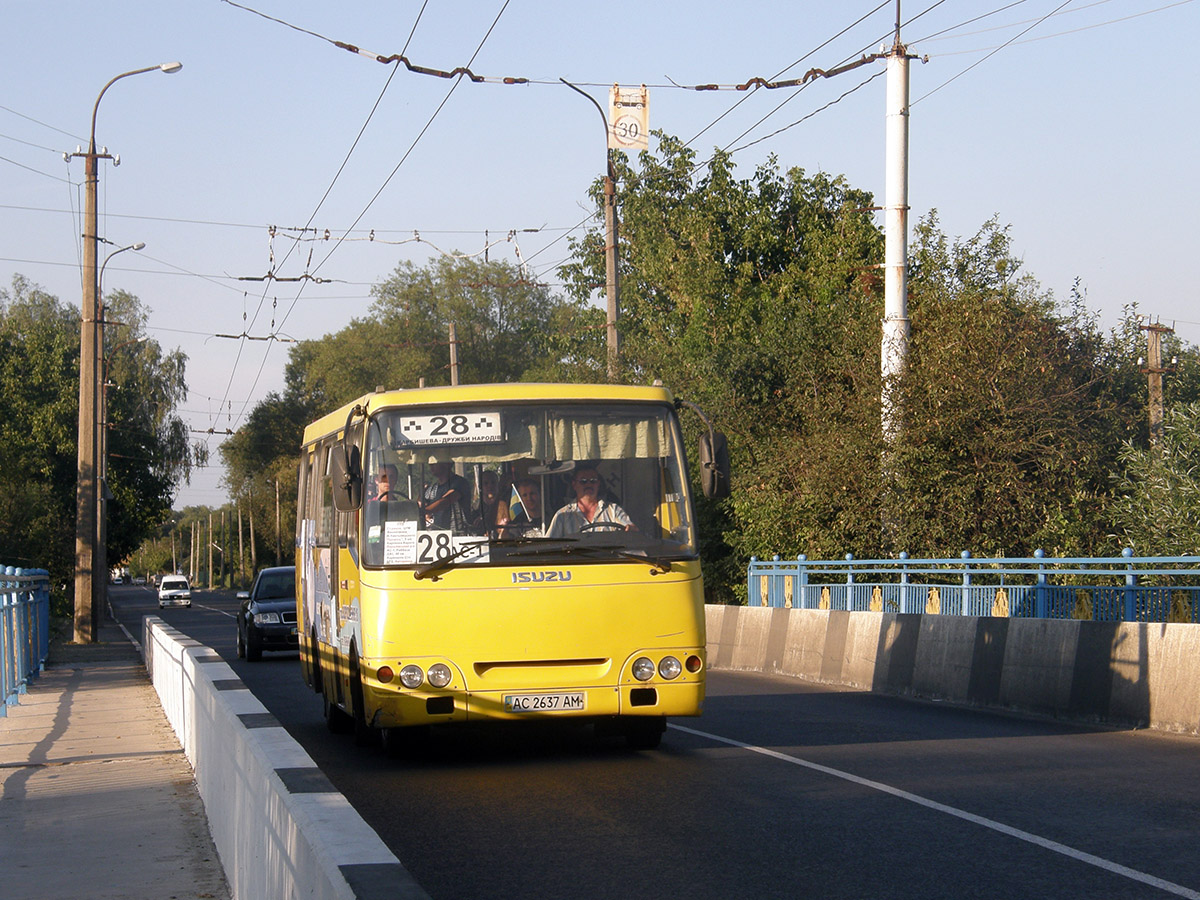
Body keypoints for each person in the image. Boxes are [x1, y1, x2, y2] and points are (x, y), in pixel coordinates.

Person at [546, 466, 635, 538]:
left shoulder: (614, 510)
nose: (589, 485)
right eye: (583, 481)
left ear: (598, 484)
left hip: (608, 560)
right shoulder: (562, 515)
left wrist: (631, 529)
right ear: (574, 485)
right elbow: (549, 547)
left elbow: (632, 532)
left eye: (593, 481)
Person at [422, 461, 471, 532]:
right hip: (437, 535)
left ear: (447, 464)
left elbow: (446, 501)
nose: (431, 465)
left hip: (458, 535)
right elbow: (421, 504)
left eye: (435, 462)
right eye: (430, 463)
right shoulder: (432, 488)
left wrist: (424, 511)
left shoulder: (460, 483)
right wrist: (422, 492)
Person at [472, 469, 510, 536]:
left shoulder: (505, 504)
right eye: (486, 483)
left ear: (498, 484)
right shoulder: (476, 507)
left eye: (493, 482)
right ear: (480, 486)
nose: (490, 486)